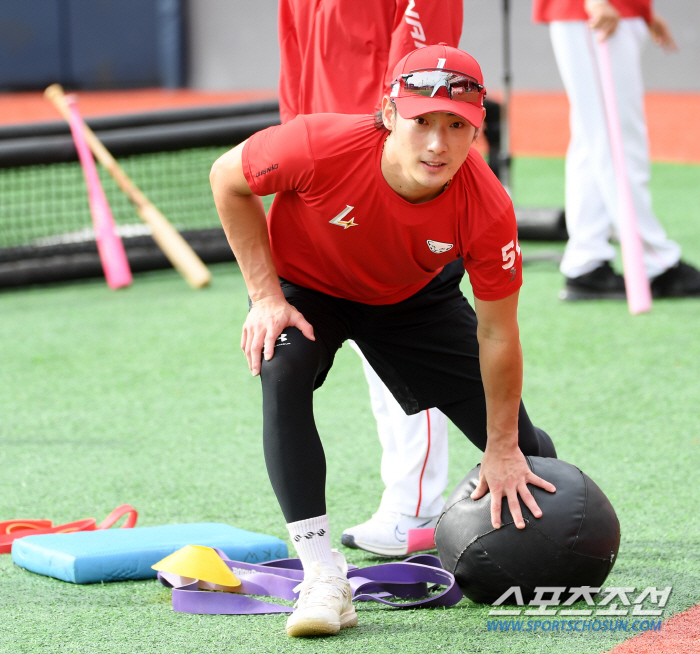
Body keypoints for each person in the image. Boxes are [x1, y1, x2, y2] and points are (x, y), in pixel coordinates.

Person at [211, 43, 557, 638]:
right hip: (308, 287)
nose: (438, 145)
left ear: (477, 131)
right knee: (282, 366)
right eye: (423, 121)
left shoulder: (487, 205)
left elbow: (498, 331)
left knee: (530, 455)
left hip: (412, 301)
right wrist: (267, 298)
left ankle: (479, 514)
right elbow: (226, 177)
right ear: (390, 112)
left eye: (458, 127)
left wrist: (500, 449)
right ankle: (322, 575)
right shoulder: (318, 143)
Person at [278, 0, 463, 556]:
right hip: (325, 168)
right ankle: (407, 503)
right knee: (363, 345)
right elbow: (294, 64)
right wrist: (298, 158)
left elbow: (429, 61)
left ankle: (417, 509)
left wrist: (389, 149)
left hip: (388, 164)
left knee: (404, 334)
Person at [533, 0, 700, 300]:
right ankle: (656, 262)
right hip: (595, 10)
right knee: (618, 138)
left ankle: (587, 262)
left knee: (594, 138)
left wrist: (642, 10)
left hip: (610, 10)